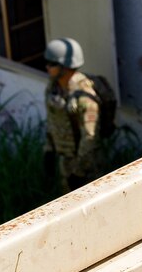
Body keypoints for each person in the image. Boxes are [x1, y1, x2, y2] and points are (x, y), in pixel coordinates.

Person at [43, 37, 107, 192]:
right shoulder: (54, 89)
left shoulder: (84, 97)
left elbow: (90, 138)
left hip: (87, 166)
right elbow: (53, 121)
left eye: (52, 64)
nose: (47, 68)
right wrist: (49, 150)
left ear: (66, 66)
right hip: (66, 160)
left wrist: (79, 171)